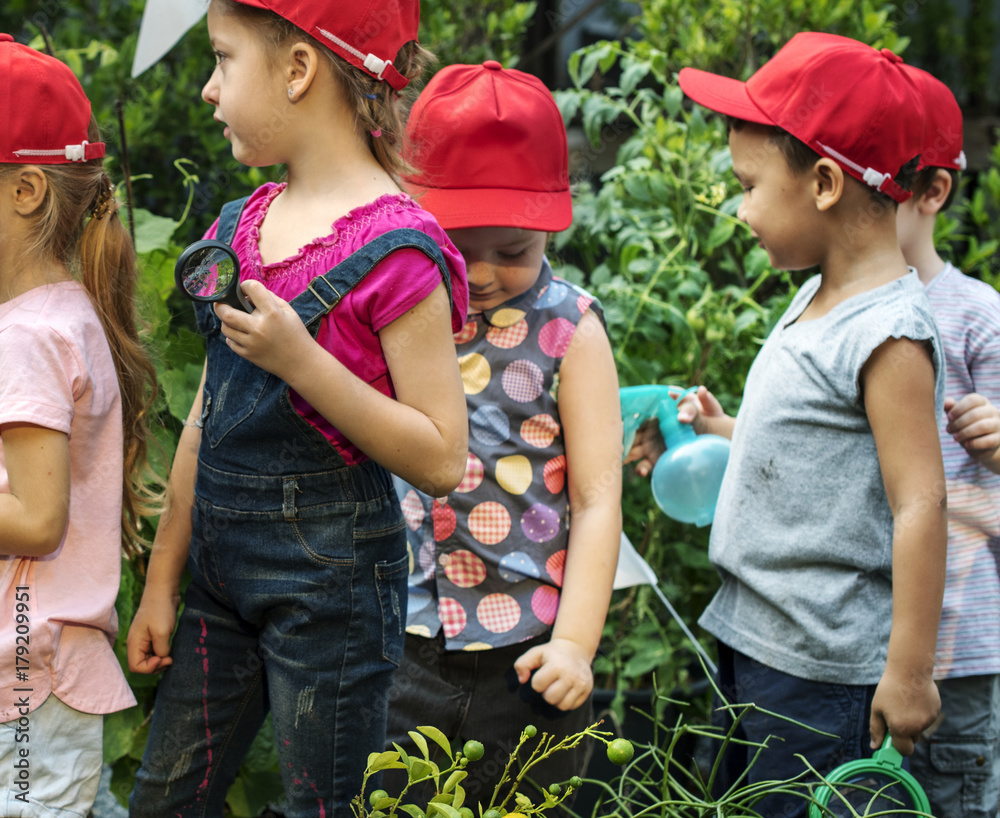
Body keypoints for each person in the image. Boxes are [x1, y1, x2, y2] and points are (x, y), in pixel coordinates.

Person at [125, 0, 470, 814]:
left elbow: (441, 456)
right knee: (163, 800)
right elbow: (208, 416)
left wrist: (302, 361)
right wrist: (162, 579)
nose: (209, 90)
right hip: (216, 577)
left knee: (320, 803)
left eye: (222, 59)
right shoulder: (239, 226)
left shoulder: (400, 250)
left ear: (297, 69)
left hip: (333, 587)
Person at [627, 32, 948, 818]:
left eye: (749, 185)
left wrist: (907, 672)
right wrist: (721, 429)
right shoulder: (817, 300)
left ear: (827, 183)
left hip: (824, 671)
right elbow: (820, 456)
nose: (740, 209)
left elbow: (921, 503)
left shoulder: (889, 333)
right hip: (761, 642)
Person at [385, 62, 623, 808]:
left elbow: (597, 499)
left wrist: (576, 647)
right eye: (458, 244)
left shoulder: (570, 331)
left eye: (513, 251)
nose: (483, 272)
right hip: (401, 644)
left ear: (553, 223)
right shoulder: (398, 308)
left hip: (530, 657)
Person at [0, 36, 160, 816]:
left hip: (28, 677)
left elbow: (34, 519)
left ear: (26, 190)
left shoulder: (28, 336)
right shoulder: (55, 315)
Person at [896, 65, 1000, 818]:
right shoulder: (825, 311)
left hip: (958, 645)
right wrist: (720, 428)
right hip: (866, 639)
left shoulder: (975, 317)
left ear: (933, 193)